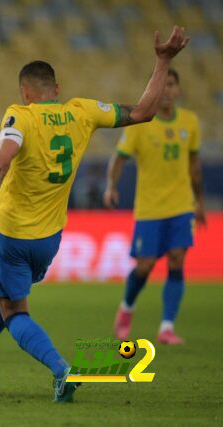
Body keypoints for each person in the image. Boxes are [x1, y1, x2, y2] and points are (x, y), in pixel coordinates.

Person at [0, 26, 188, 403]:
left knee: (14, 313)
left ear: (24, 93)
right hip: (50, 238)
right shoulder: (84, 112)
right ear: (56, 90)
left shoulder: (19, 117)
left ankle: (62, 371)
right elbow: (143, 112)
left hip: (11, 233)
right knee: (9, 297)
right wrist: (163, 61)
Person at [104, 68, 204, 345]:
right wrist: (111, 186)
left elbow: (194, 165)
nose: (168, 91)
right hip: (149, 208)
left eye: (172, 85)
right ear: (156, 90)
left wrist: (200, 201)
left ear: (178, 90)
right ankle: (126, 308)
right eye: (164, 85)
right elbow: (119, 158)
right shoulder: (141, 124)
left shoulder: (190, 122)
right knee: (145, 266)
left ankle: (167, 327)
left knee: (177, 260)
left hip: (181, 205)